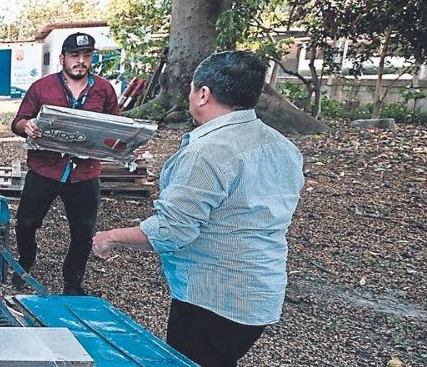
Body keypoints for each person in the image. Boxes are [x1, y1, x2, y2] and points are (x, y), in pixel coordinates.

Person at [92, 51, 304, 367]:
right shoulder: (282, 146)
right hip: (260, 294)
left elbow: (172, 231)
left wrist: (110, 236)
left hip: (214, 299)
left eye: (192, 88)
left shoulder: (207, 153)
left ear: (203, 94)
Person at [9, 32, 120, 295]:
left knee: (82, 232)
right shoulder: (42, 88)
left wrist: (126, 144)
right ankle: (25, 262)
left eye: (86, 56)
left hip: (85, 174)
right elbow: (18, 122)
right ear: (62, 59)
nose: (80, 61)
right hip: (45, 169)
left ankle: (72, 283)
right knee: (26, 223)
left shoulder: (104, 90)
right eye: (74, 56)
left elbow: (116, 126)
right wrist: (28, 126)